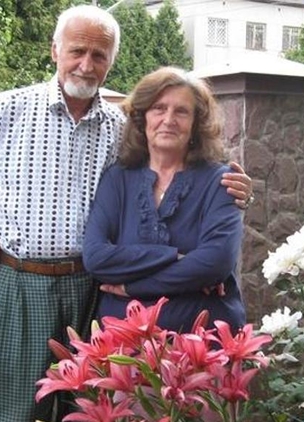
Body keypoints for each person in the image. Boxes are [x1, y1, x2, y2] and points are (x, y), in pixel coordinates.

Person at [0, 5, 253, 422]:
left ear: (111, 61)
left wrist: (240, 191)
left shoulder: (117, 127)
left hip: (92, 289)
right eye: (77, 51)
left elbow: (177, 164)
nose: (86, 65)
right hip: (24, 282)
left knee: (91, 409)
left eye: (99, 55)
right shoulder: (6, 109)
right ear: (55, 50)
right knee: (16, 411)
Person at [83, 66, 246, 333]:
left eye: (181, 111)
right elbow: (96, 257)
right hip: (124, 342)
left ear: (196, 124)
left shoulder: (221, 181)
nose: (169, 119)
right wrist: (176, 256)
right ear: (142, 118)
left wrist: (132, 287)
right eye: (159, 108)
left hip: (203, 341)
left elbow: (215, 262)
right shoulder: (117, 179)